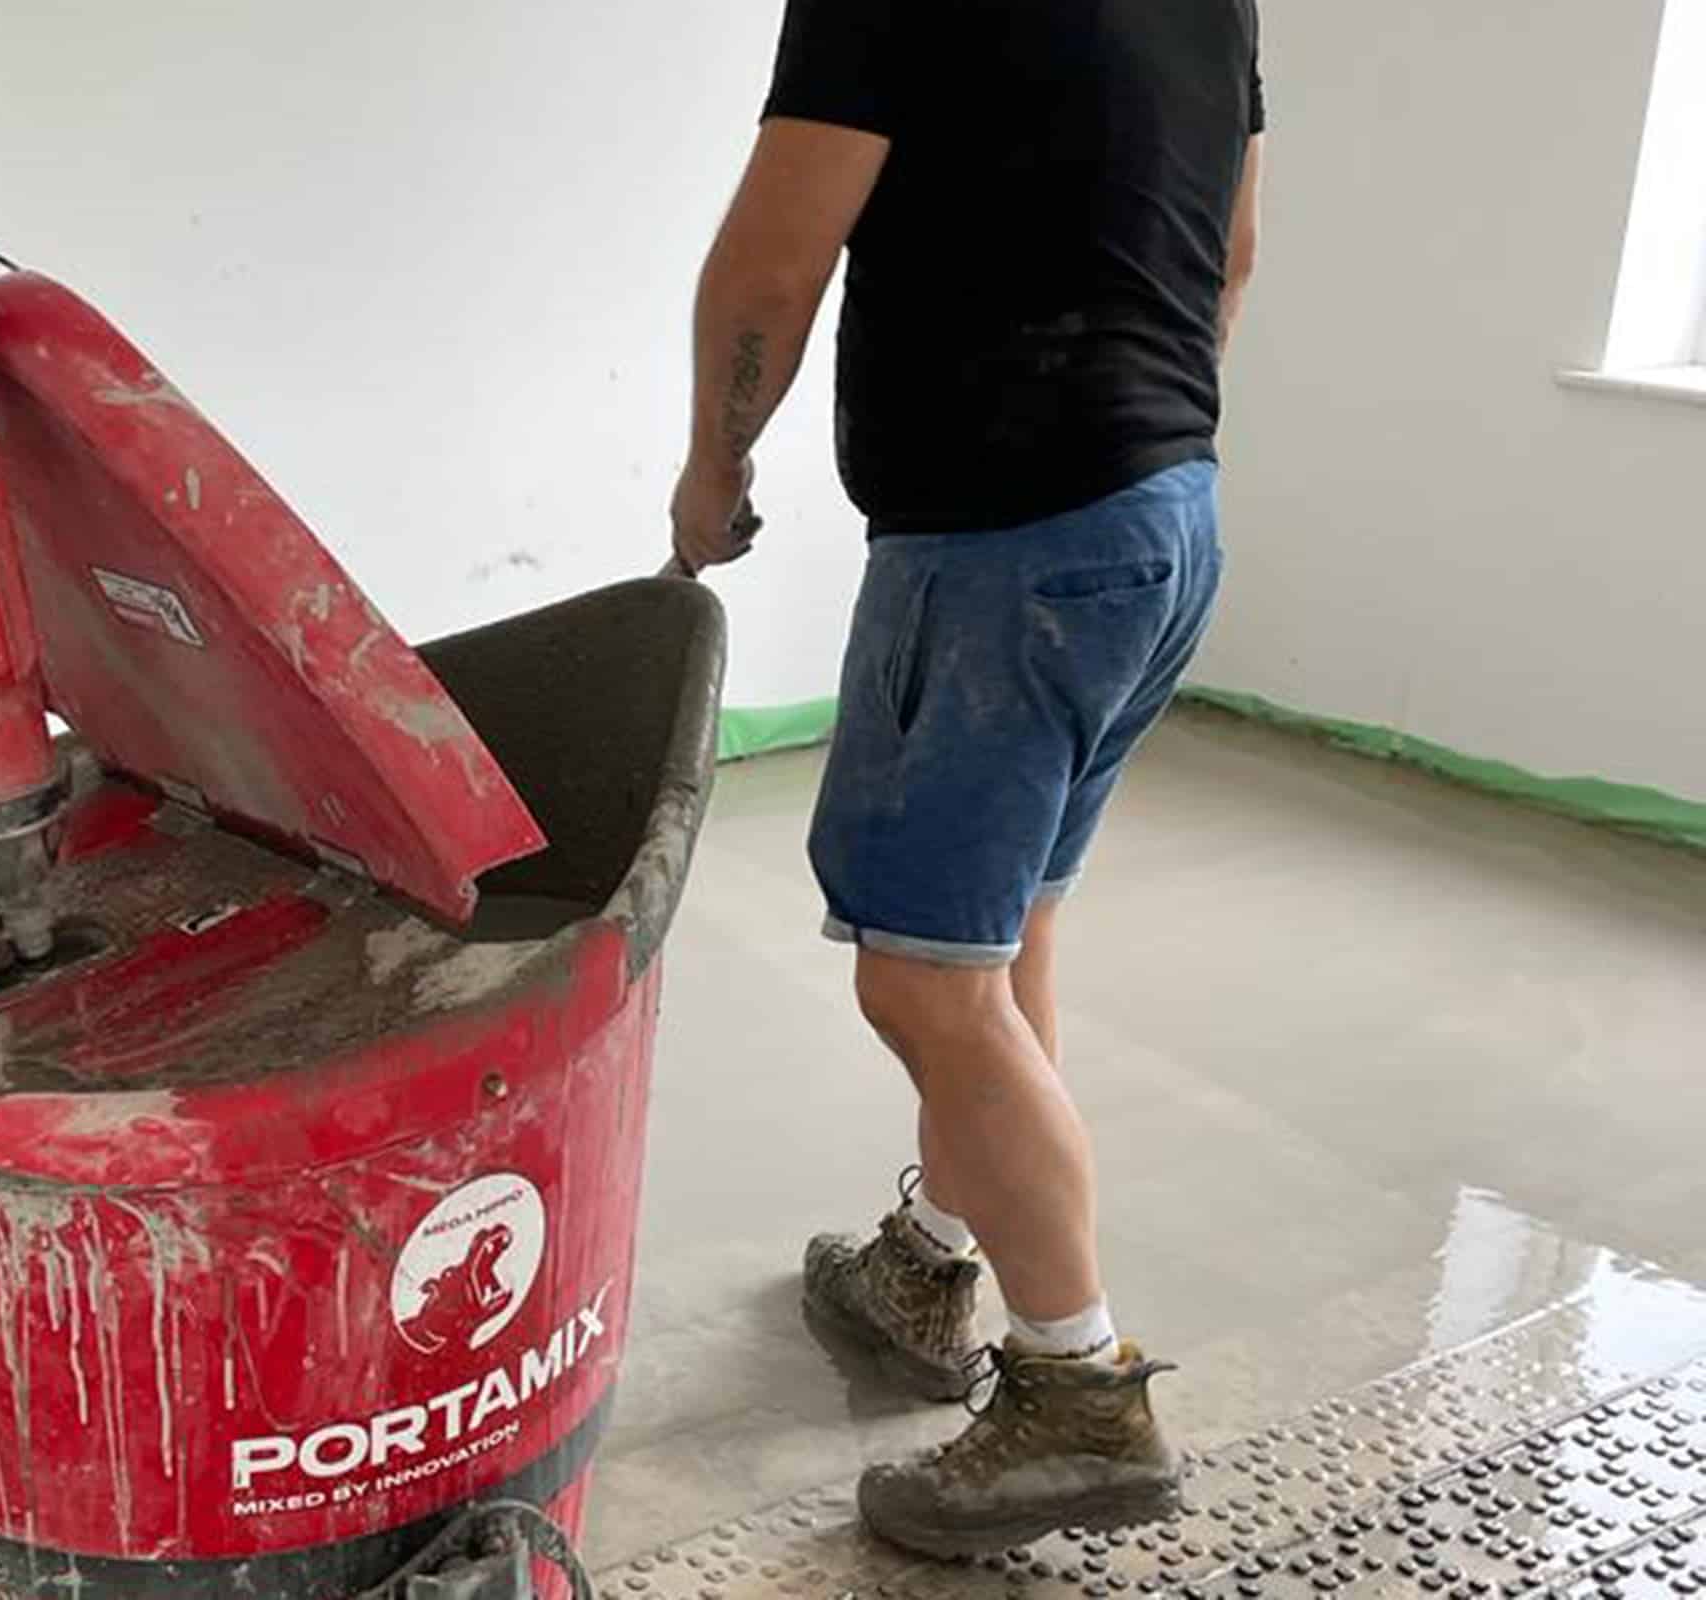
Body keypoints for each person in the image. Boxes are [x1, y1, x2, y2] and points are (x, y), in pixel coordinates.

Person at [666, 0, 1267, 1560]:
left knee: (925, 983)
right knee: (1005, 937)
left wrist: (714, 464)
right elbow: (1231, 254)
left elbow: (775, 263)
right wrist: (1128, 448)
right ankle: (935, 1258)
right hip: (1161, 515)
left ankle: (1076, 1393)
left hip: (1006, 546)